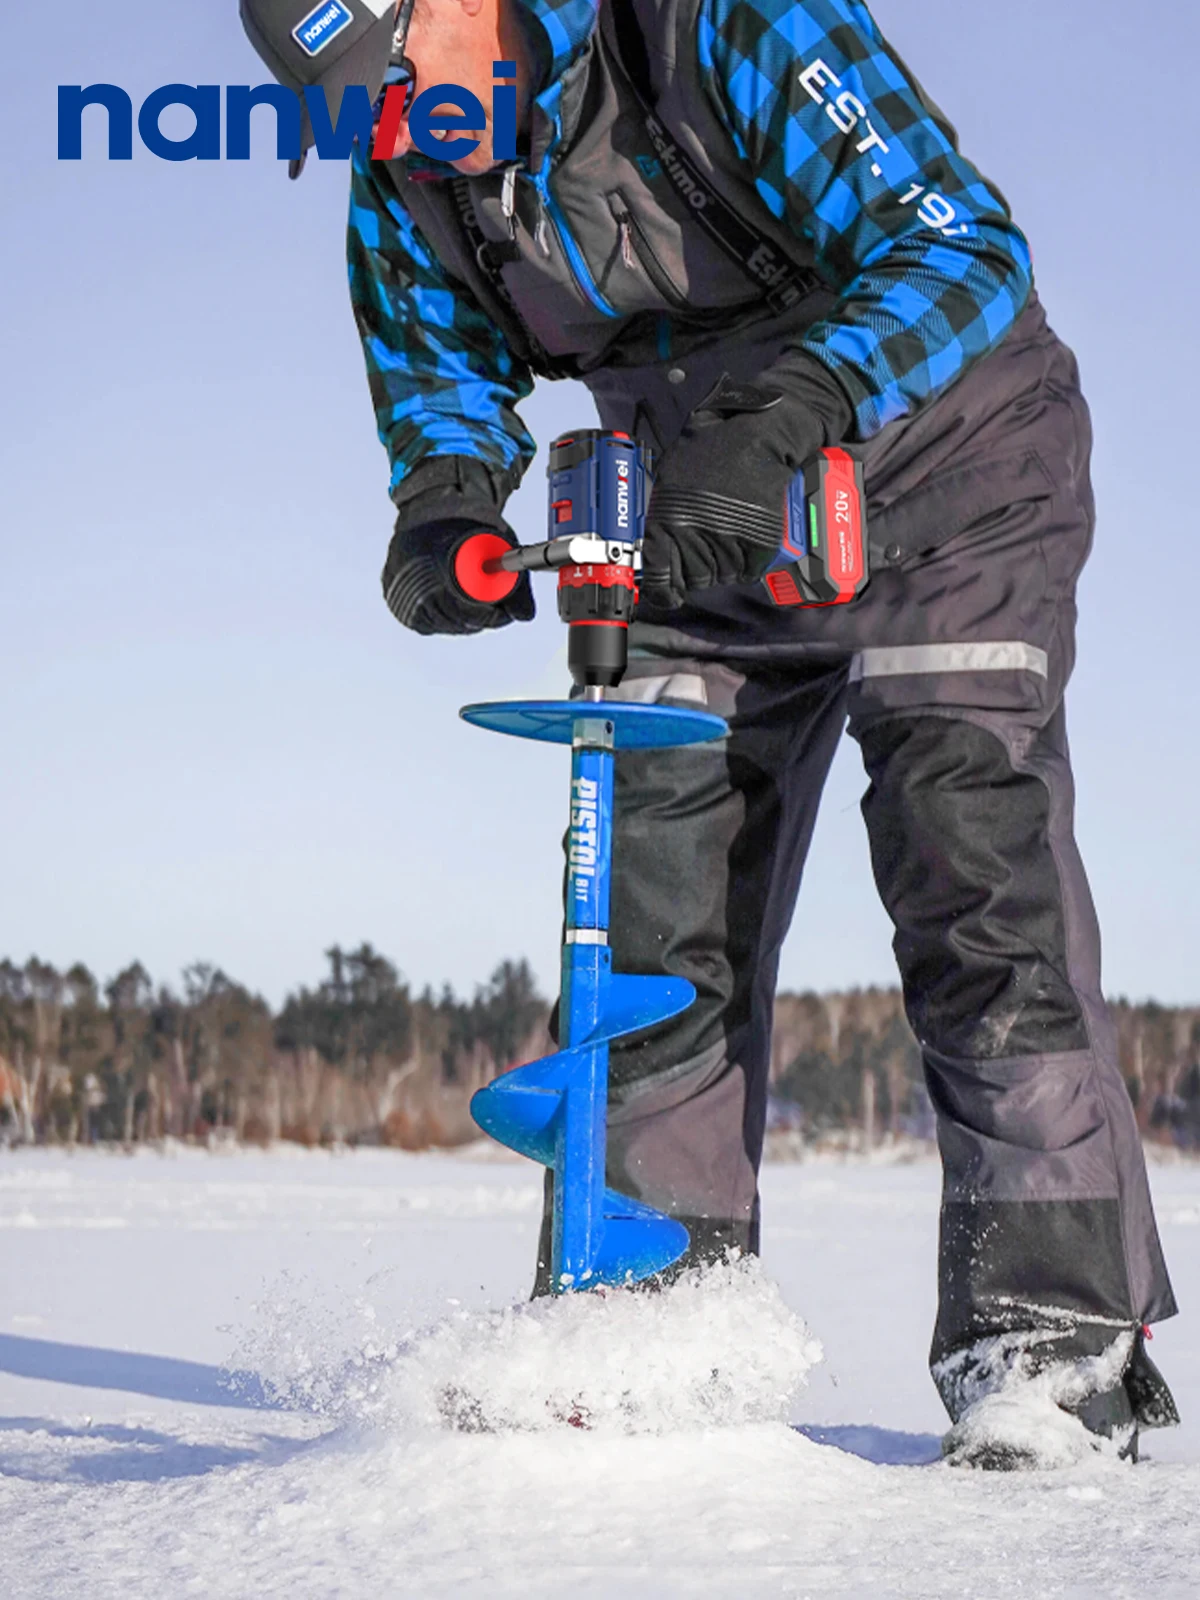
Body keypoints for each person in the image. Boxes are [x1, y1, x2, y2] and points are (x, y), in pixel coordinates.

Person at [240, 0, 1179, 1466]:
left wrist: (795, 407)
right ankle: (647, 1317)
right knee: (646, 909)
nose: (386, 123)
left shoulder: (714, 22)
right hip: (682, 516)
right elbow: (433, 358)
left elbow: (964, 249)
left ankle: (1048, 1343)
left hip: (943, 475)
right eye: (347, 104)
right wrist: (441, 500)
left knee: (967, 860)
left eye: (392, 74)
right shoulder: (401, 152)